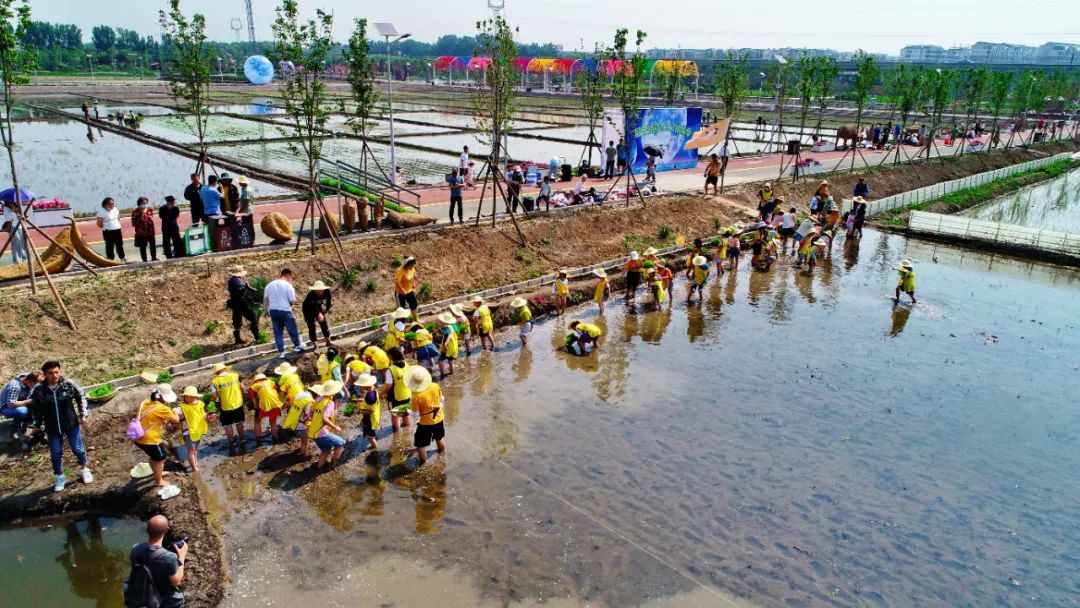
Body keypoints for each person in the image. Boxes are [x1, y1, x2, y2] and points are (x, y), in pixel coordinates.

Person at [29, 361, 92, 492]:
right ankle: (59, 476)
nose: (55, 375)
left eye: (57, 372)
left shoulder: (67, 384)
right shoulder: (39, 390)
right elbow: (35, 408)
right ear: (45, 374)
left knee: (78, 448)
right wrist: (37, 424)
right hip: (52, 427)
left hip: (70, 423)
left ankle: (85, 469)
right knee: (56, 453)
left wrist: (83, 415)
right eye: (51, 373)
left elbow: (81, 396)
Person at [124, 515, 186, 608]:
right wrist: (182, 556)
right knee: (178, 597)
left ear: (147, 530)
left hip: (139, 595)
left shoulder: (136, 548)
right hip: (158, 598)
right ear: (166, 530)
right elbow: (176, 582)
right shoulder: (169, 557)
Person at [131, 386, 180, 487]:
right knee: (160, 459)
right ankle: (158, 481)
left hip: (137, 436)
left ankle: (158, 473)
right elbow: (175, 420)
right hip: (150, 440)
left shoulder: (146, 402)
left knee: (154, 457)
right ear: (163, 398)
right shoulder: (162, 408)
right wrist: (175, 412)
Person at [408, 367, 445, 465]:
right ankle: (442, 453)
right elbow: (442, 399)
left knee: (421, 444)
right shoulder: (435, 385)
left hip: (425, 423)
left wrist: (407, 411)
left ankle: (423, 463)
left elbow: (415, 414)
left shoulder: (416, 396)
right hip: (439, 418)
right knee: (439, 438)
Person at [264, 268, 304, 358]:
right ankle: (297, 346)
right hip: (285, 311)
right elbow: (292, 300)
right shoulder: (288, 286)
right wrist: (290, 304)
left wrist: (265, 310)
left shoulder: (270, 285)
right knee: (292, 329)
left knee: (278, 332)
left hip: (273, 311)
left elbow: (265, 299)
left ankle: (281, 352)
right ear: (287, 275)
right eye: (290, 276)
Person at [307, 381, 346, 468]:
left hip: (312, 431)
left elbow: (310, 414)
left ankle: (320, 467)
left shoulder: (318, 399)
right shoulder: (329, 403)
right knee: (341, 443)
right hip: (321, 433)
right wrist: (335, 427)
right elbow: (325, 418)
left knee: (325, 450)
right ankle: (334, 465)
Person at [174, 386, 208, 472]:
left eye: (191, 396)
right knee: (191, 451)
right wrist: (174, 413)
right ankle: (194, 468)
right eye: (186, 396)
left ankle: (195, 462)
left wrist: (209, 416)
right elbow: (175, 413)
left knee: (195, 449)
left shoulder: (199, 404)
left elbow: (203, 414)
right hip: (188, 432)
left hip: (197, 431)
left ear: (195, 397)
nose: (188, 398)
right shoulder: (181, 407)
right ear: (184, 397)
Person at [226, 266, 259, 346]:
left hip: (234, 303)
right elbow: (242, 292)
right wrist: (248, 288)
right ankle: (257, 337)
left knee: (237, 320)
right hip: (242, 303)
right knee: (253, 318)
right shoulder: (239, 282)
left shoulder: (231, 281)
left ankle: (237, 339)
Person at [248, 373, 281, 443]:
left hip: (264, 405)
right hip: (275, 404)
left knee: (257, 420)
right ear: (265, 378)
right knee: (273, 422)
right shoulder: (271, 382)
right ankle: (275, 437)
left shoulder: (253, 386)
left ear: (256, 380)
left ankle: (258, 439)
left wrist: (256, 407)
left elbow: (254, 401)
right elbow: (275, 393)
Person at [385, 349, 413, 431]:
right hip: (407, 393)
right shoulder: (406, 364)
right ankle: (407, 430)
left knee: (395, 415)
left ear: (391, 357)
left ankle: (396, 433)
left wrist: (381, 393)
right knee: (406, 412)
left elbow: (388, 386)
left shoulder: (390, 369)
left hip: (396, 396)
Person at [302, 280, 333, 351]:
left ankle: (328, 340)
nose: (318, 292)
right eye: (316, 290)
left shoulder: (327, 292)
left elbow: (328, 303)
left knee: (323, 322)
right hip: (308, 309)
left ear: (323, 289)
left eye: (320, 290)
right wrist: (319, 314)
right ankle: (315, 345)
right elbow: (313, 306)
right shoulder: (311, 294)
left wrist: (324, 312)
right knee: (312, 326)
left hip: (318, 306)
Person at [353, 373, 381, 452]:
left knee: (370, 436)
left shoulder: (370, 397)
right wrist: (359, 400)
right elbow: (368, 402)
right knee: (372, 432)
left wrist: (359, 411)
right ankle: (374, 437)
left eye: (361, 385)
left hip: (370, 420)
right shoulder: (373, 390)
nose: (360, 387)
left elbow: (370, 411)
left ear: (365, 386)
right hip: (375, 417)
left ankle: (374, 448)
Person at [96, 197, 126, 263]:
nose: (112, 205)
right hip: (108, 231)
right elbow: (99, 223)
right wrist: (107, 227)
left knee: (119, 244)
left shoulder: (115, 209)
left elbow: (118, 218)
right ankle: (110, 259)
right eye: (110, 204)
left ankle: (122, 257)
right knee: (109, 245)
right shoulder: (101, 212)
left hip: (117, 229)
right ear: (105, 205)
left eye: (113, 204)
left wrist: (116, 225)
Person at [131, 197, 158, 262]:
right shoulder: (136, 211)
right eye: (143, 203)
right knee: (143, 246)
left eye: (146, 203)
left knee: (152, 245)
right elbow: (133, 223)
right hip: (141, 232)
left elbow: (151, 218)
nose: (145, 204)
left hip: (150, 230)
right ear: (139, 203)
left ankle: (154, 257)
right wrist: (140, 220)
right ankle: (144, 259)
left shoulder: (149, 210)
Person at [394, 256, 419, 321]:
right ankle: (400, 326)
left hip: (409, 290)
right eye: (411, 266)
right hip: (400, 293)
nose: (412, 267)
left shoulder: (412, 268)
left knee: (414, 304)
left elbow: (413, 274)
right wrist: (403, 291)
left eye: (413, 266)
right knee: (401, 309)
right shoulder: (400, 270)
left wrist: (414, 283)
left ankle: (415, 320)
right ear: (407, 265)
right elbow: (397, 281)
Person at [436, 312, 459, 378]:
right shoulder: (452, 326)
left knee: (440, 360)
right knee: (450, 361)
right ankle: (452, 374)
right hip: (453, 346)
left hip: (447, 347)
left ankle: (442, 374)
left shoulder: (447, 328)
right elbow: (456, 331)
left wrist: (445, 344)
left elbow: (449, 335)